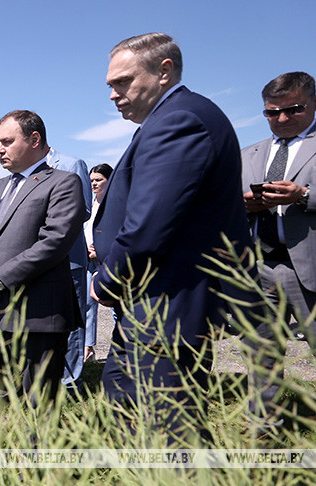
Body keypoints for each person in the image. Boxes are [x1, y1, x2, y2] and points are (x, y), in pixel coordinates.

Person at [92, 33, 253, 439]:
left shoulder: (179, 121)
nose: (113, 94)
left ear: (164, 71)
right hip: (151, 300)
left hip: (167, 304)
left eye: (122, 82)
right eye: (110, 85)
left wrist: (108, 278)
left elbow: (148, 224)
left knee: (170, 431)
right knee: (126, 414)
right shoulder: (169, 120)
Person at [0, 110, 86, 413]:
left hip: (39, 310)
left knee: (39, 400)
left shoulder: (63, 183)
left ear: (34, 139)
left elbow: (55, 242)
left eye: (6, 142)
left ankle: (37, 458)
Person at [240, 71, 316, 429]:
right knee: (261, 358)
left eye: (293, 109)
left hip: (310, 269)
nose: (282, 119)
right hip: (260, 269)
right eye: (272, 112)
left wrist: (304, 196)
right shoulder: (248, 154)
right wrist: (244, 205)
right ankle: (264, 432)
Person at [47, 146, 92, 389]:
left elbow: (83, 209)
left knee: (73, 320)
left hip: (69, 258)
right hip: (39, 261)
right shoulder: (25, 171)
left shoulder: (71, 164)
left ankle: (71, 381)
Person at [84, 163, 113, 363]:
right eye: (91, 180)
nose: (94, 183)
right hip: (88, 259)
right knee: (87, 304)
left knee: (115, 305)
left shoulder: (114, 204)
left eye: (98, 180)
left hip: (109, 260)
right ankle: (88, 348)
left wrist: (101, 251)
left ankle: (125, 348)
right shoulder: (89, 204)